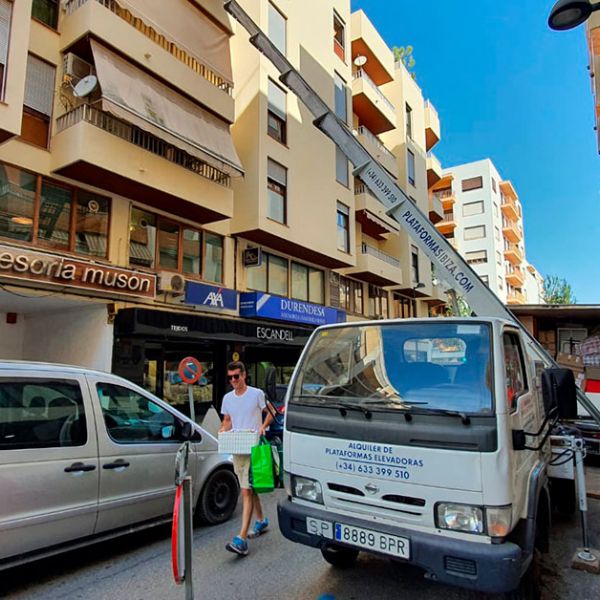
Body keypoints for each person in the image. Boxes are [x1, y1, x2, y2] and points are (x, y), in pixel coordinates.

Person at [220, 361, 273, 556]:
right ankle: (261, 521)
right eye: (230, 377)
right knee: (250, 487)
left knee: (246, 490)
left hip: (253, 448)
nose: (233, 380)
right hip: (237, 448)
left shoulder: (256, 394)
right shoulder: (227, 398)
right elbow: (227, 420)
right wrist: (222, 430)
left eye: (236, 376)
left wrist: (262, 428)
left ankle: (241, 539)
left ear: (244, 375)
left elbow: (271, 412)